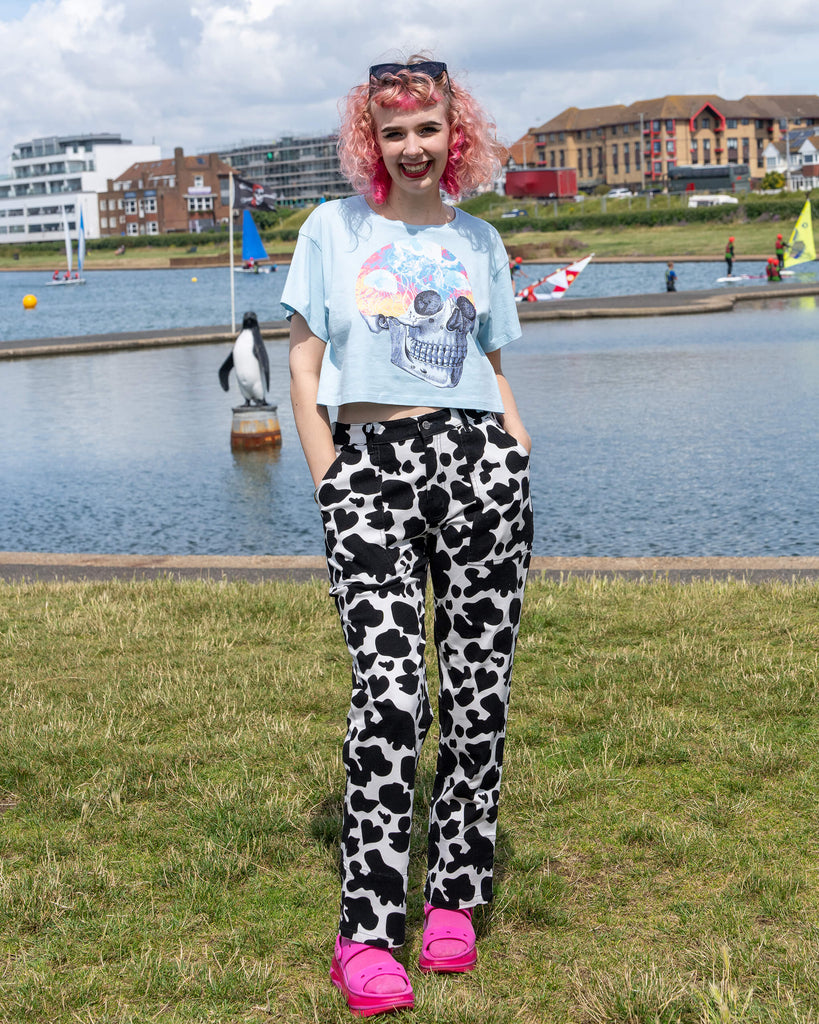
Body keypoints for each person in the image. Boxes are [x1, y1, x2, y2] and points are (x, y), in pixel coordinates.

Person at [282, 56, 533, 1018]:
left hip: (479, 468)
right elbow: (303, 368)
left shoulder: (479, 240)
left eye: (428, 128)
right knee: (390, 697)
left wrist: (514, 449)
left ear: (453, 134)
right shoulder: (333, 229)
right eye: (394, 132)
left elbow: (492, 364)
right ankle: (366, 931)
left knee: (476, 696)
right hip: (371, 471)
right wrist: (331, 478)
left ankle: (454, 898)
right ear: (372, 142)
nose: (413, 146)